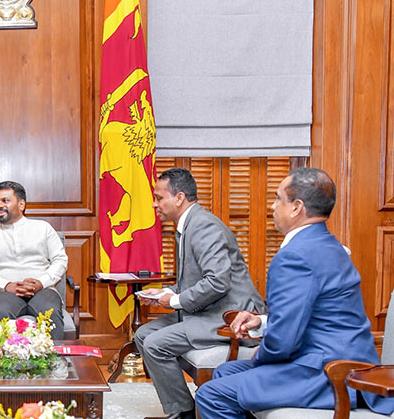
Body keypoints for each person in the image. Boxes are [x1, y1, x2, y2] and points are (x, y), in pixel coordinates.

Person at [195, 168, 394, 418]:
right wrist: (263, 322)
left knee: (212, 395)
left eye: (278, 198)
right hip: (345, 361)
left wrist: (261, 355)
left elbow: (283, 342)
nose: (272, 205)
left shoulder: (294, 256)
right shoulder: (330, 245)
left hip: (327, 371)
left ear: (296, 207)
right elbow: (314, 313)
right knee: (226, 372)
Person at [135, 167, 265, 419]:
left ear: (179, 198)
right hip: (207, 310)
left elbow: (217, 282)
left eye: (159, 198)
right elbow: (196, 281)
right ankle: (183, 409)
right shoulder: (188, 225)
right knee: (143, 334)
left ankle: (183, 413)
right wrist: (164, 292)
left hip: (228, 316)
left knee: (154, 343)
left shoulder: (204, 226)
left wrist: (174, 300)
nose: (154, 204)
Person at [0, 180, 69, 341]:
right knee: (2, 311)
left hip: (42, 290)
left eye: (5, 200)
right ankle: (2, 365)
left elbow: (60, 260)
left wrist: (40, 282)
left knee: (50, 310)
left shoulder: (43, 228)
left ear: (21, 204)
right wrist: (6, 285)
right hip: (5, 292)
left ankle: (56, 364)